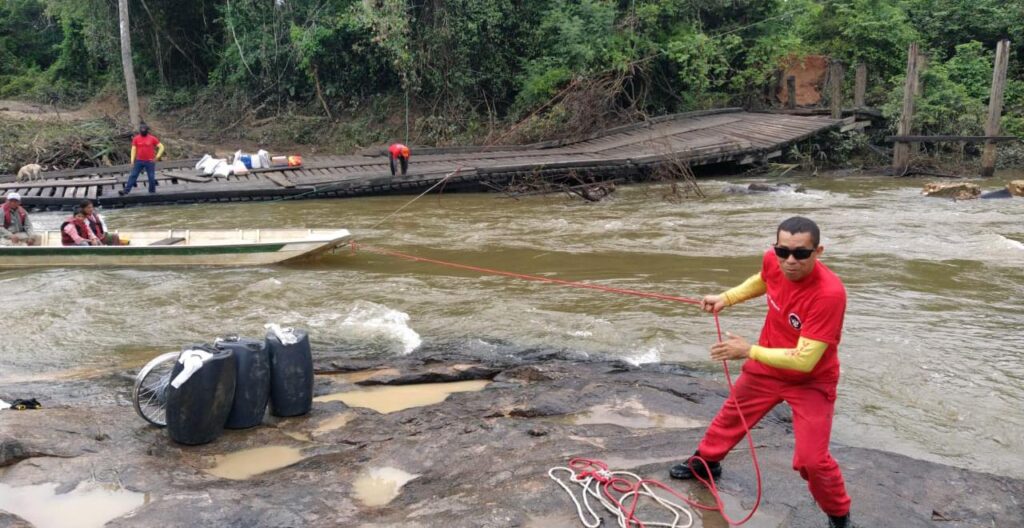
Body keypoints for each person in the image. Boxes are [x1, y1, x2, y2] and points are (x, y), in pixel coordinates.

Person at [669, 216, 853, 528]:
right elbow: (763, 279)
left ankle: (839, 515)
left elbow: (804, 360)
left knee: (811, 460)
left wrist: (748, 351)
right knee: (733, 413)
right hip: (767, 366)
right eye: (783, 251)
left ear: (818, 251)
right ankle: (707, 463)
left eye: (801, 254)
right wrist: (726, 298)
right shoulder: (774, 260)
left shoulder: (829, 294)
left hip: (811, 381)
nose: (790, 261)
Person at [120, 122, 165, 195]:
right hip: (139, 161)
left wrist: (156, 157)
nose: (143, 130)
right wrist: (132, 161)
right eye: (141, 129)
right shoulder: (136, 138)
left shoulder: (152, 138)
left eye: (144, 129)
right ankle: (126, 191)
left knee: (151, 177)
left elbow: (161, 147)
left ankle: (152, 192)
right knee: (133, 175)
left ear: (147, 130)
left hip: (150, 161)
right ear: (140, 130)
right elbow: (133, 150)